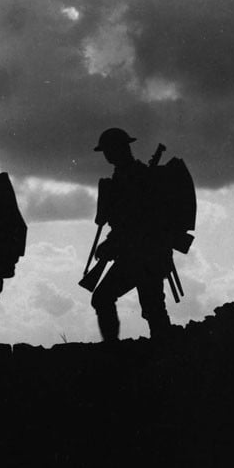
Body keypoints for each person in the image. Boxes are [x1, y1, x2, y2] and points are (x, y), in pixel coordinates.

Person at [90, 128, 173, 342]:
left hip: (142, 255)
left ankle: (118, 351)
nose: (107, 155)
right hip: (142, 255)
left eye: (109, 149)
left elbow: (134, 222)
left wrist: (110, 245)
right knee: (153, 307)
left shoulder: (134, 177)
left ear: (120, 149)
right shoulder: (128, 176)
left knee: (147, 306)